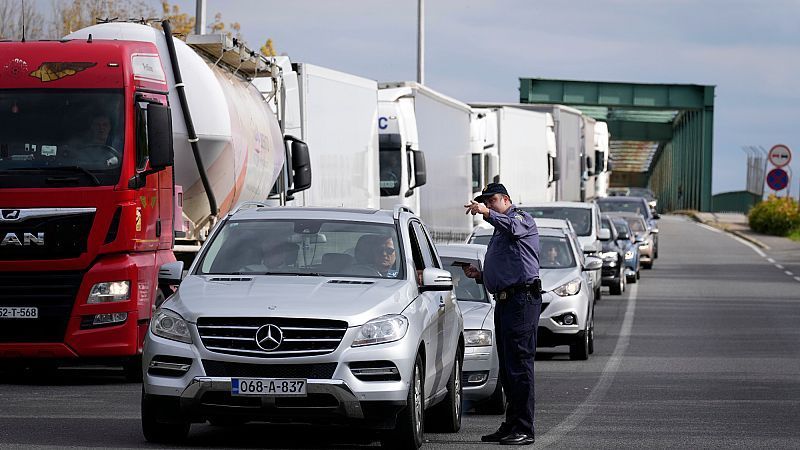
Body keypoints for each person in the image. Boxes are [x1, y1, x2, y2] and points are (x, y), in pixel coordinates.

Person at [463, 182, 540, 446]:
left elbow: (514, 229)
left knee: (519, 366)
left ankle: (524, 428)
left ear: (506, 199)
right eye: (485, 202)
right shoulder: (499, 228)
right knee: (508, 368)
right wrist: (482, 275)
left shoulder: (520, 218)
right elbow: (509, 267)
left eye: (492, 200)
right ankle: (511, 425)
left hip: (522, 300)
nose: (488, 205)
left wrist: (486, 213)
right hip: (507, 301)